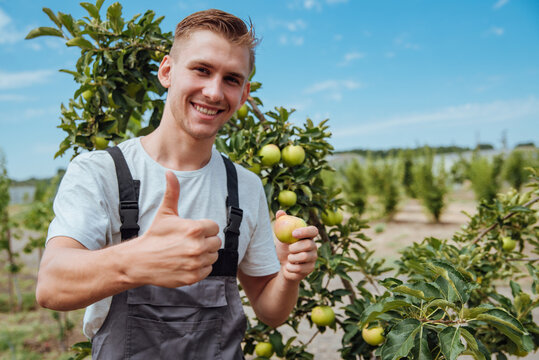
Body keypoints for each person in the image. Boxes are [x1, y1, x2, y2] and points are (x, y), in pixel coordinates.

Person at [35, 8, 318, 360]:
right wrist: (138, 259)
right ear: (167, 71)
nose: (214, 92)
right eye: (201, 70)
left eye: (231, 79)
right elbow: (51, 286)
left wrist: (289, 275)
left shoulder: (245, 186)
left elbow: (270, 311)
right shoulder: (101, 172)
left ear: (244, 94)